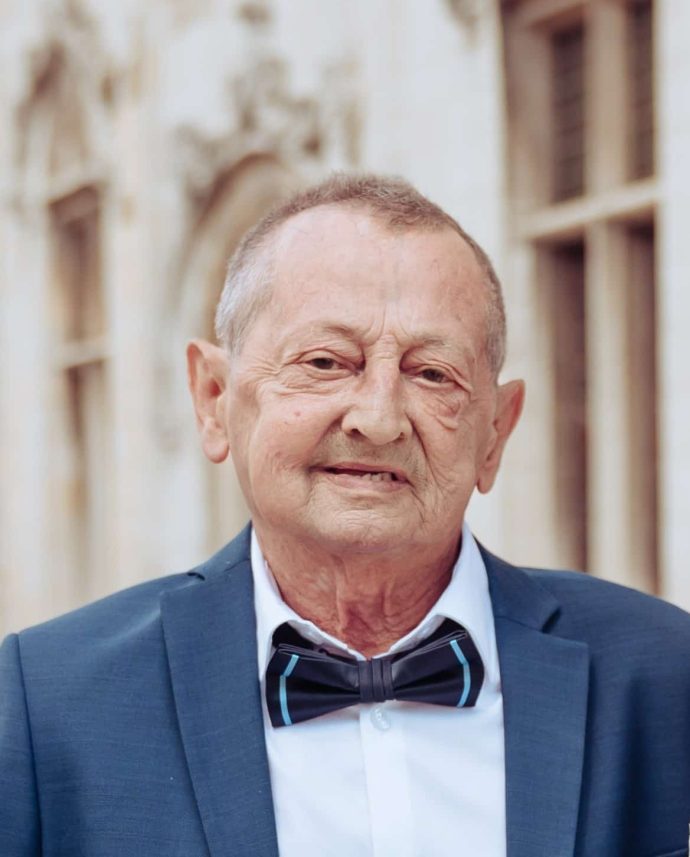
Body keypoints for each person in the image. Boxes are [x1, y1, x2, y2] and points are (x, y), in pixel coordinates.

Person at [1, 174, 689, 857]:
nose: (379, 418)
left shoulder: (665, 673)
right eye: (327, 362)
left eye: (432, 373)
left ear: (495, 434)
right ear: (214, 398)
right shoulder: (46, 706)